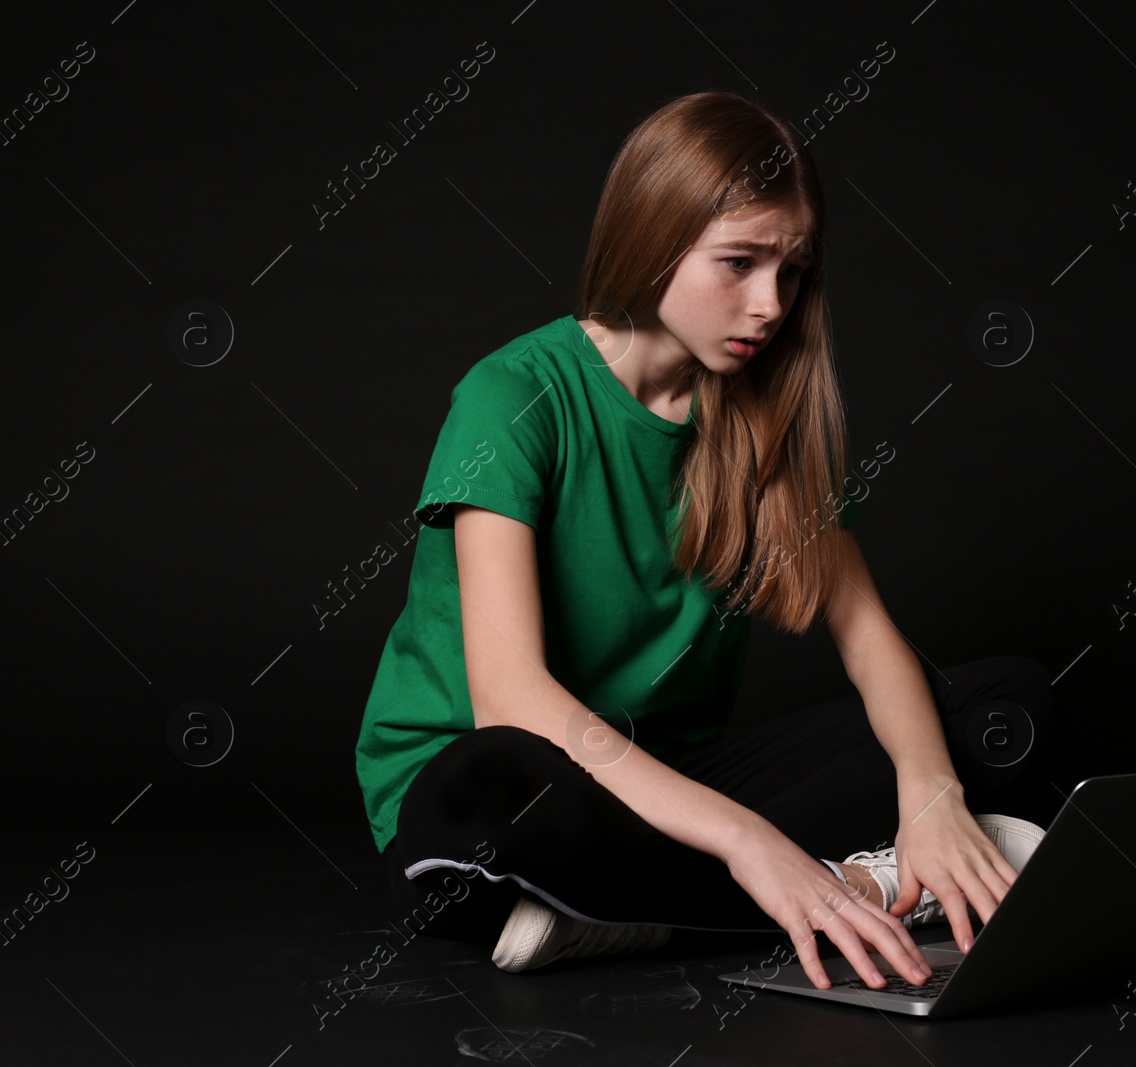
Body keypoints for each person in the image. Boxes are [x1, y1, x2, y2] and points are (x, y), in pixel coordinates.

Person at [354, 90, 1068, 993]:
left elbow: (874, 645)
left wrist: (932, 800)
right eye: (739, 262)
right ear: (653, 239)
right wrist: (751, 839)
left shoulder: (763, 416)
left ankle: (625, 915)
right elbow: (511, 697)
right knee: (498, 789)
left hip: (665, 783)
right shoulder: (514, 396)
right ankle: (863, 885)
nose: (770, 304)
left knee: (1006, 708)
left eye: (793, 270)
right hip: (502, 789)